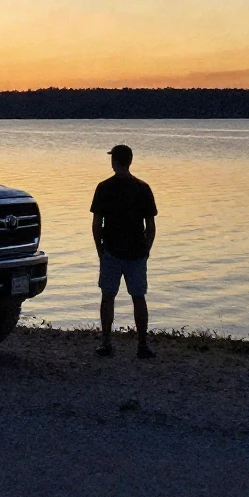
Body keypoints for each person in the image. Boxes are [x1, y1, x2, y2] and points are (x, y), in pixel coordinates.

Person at [90, 144, 157, 359]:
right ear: (130, 161)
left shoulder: (103, 187)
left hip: (111, 250)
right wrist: (147, 248)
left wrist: (99, 248)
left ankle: (107, 343)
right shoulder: (143, 188)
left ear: (114, 161)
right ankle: (142, 345)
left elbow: (96, 223)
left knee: (108, 296)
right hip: (136, 251)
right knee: (138, 297)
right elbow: (151, 226)